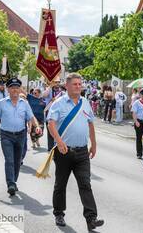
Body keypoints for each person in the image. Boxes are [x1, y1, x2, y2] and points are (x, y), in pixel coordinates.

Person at [47, 73, 104, 231]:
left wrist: (94, 144)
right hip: (63, 152)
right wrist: (59, 141)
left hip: (82, 152)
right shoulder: (58, 103)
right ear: (67, 85)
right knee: (61, 184)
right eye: (75, 84)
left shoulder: (85, 103)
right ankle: (59, 213)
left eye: (80, 84)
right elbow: (51, 124)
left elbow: (91, 124)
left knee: (85, 184)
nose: (78, 87)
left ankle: (91, 218)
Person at [0, 78, 41, 196]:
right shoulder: (1, 103)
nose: (15, 90)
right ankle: (10, 183)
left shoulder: (25, 103)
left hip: (20, 135)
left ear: (19, 89)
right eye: (12, 87)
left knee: (17, 161)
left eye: (17, 87)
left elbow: (31, 117)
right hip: (6, 135)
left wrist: (37, 126)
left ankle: (14, 181)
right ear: (8, 89)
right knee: (9, 160)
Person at [43, 81, 65, 151]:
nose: (57, 83)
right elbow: (44, 95)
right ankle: (50, 149)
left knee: (59, 132)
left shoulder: (62, 92)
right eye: (55, 82)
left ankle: (58, 147)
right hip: (49, 114)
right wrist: (50, 86)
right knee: (50, 132)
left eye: (58, 82)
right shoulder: (49, 90)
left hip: (59, 116)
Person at [131, 88, 143, 159]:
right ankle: (139, 153)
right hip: (139, 122)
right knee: (139, 138)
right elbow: (134, 113)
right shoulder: (136, 102)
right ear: (140, 95)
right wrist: (136, 121)